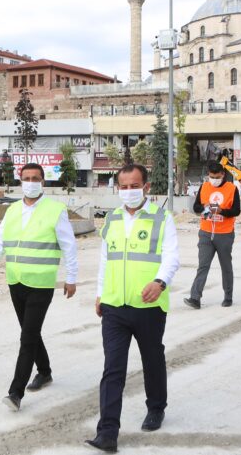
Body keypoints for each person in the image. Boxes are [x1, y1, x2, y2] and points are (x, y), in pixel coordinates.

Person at [85, 163, 179, 453]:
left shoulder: (162, 218)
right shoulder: (112, 218)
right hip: (114, 306)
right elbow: (106, 259)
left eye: (134, 186)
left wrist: (160, 282)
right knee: (113, 368)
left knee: (152, 359)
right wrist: (100, 293)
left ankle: (156, 407)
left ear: (146, 187)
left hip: (148, 305)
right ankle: (107, 433)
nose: (129, 191)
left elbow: (171, 257)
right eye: (124, 187)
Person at [0, 163, 78, 412]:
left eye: (35, 178)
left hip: (41, 283)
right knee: (29, 331)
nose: (31, 182)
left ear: (43, 182)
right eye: (26, 178)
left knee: (27, 337)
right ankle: (45, 371)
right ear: (20, 181)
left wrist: (71, 277)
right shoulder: (12, 210)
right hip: (16, 280)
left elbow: (69, 246)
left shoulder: (55, 210)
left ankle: (15, 392)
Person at [184, 160, 241, 309]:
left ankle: (228, 297)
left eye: (217, 177)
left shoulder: (232, 189)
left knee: (226, 266)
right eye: (211, 177)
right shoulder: (204, 186)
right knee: (203, 266)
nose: (214, 180)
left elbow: (236, 210)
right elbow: (196, 207)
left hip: (225, 234)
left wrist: (222, 211)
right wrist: (204, 207)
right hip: (206, 233)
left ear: (223, 174)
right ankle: (195, 298)